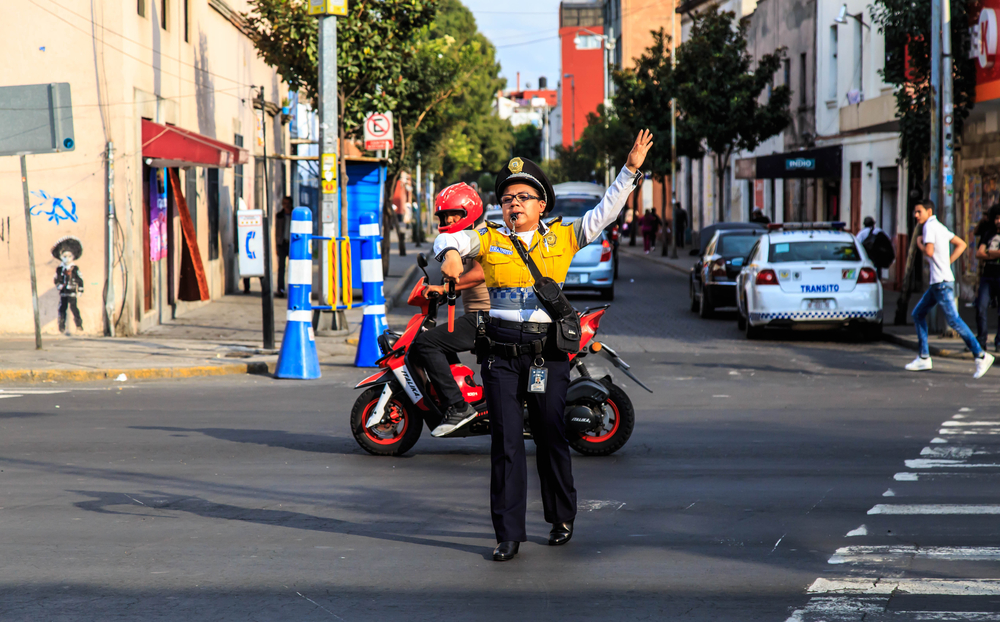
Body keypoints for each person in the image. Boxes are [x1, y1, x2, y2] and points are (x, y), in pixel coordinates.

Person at [433, 129, 653, 562]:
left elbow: (604, 213)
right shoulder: (488, 238)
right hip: (499, 357)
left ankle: (561, 517)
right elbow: (449, 238)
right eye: (508, 197)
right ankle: (508, 534)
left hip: (546, 357)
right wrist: (450, 255)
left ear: (541, 205)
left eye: (523, 196)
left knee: (552, 436)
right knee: (507, 445)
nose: (513, 203)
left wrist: (629, 170)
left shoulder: (564, 238)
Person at [408, 183, 489, 437]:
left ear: (469, 211)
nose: (449, 219)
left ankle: (457, 406)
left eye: (454, 214)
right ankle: (460, 396)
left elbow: (479, 273)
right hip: (477, 317)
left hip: (485, 317)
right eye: (444, 216)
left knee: (426, 344)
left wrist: (445, 289)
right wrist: (442, 290)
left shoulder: (482, 235)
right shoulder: (462, 241)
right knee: (440, 343)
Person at [905, 200, 995, 378]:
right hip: (939, 282)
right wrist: (947, 263)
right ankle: (923, 357)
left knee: (954, 321)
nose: (916, 215)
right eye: (915, 212)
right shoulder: (939, 226)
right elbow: (961, 244)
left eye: (919, 212)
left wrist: (919, 244)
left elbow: (929, 252)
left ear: (929, 211)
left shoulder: (930, 227)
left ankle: (981, 355)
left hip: (941, 283)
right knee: (918, 314)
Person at [975, 204, 1000, 352]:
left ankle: (999, 342)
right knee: (980, 307)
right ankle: (981, 340)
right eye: (996, 218)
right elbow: (979, 254)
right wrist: (994, 254)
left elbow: (984, 253)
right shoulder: (989, 233)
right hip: (988, 276)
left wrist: (989, 253)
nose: (999, 221)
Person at [52, 236, 84, 335]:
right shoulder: (60, 269)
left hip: (72, 291)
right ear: (61, 256)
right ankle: (62, 327)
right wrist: (59, 285)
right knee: (62, 308)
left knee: (74, 308)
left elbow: (80, 279)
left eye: (69, 256)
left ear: (73, 257)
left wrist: (80, 290)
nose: (67, 259)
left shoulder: (74, 268)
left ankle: (79, 326)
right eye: (64, 256)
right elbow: (56, 279)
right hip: (63, 292)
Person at [274, 197, 293, 298]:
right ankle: (280, 288)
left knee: (293, 267)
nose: (285, 205)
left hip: (292, 243)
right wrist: (277, 245)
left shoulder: (294, 215)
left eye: (287, 203)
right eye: (284, 203)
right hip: (282, 244)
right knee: (281, 267)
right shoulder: (279, 215)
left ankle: (292, 288)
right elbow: (277, 231)